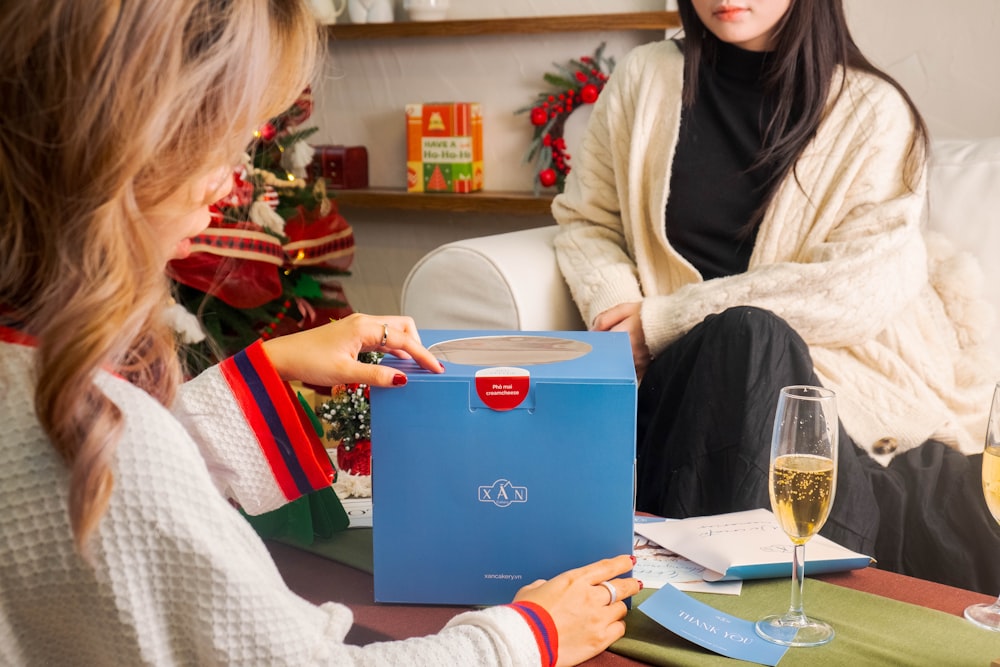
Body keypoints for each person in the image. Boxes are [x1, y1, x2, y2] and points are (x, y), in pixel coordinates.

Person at [0, 2, 640, 665]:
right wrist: (524, 636)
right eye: (223, 147)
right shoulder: (120, 450)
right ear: (126, 150)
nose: (232, 186)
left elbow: (98, 494)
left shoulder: (41, 387)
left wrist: (264, 372)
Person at [552, 0, 1000, 594]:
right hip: (689, 395)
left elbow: (861, 286)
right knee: (746, 338)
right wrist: (614, 312)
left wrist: (662, 320)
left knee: (752, 334)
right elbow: (587, 221)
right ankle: (752, 608)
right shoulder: (645, 79)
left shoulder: (872, 111)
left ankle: (742, 604)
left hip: (832, 402)